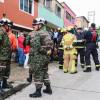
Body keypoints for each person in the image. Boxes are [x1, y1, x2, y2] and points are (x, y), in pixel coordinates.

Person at [26, 18, 53, 98]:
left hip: (38, 58)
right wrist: (46, 52)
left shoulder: (36, 34)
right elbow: (50, 46)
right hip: (45, 58)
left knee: (38, 74)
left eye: (35, 25)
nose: (33, 26)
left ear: (40, 25)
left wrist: (42, 51)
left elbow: (35, 46)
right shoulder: (47, 33)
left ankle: (38, 92)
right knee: (44, 73)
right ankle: (48, 89)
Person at [0, 19, 15, 90]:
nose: (9, 28)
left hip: (6, 57)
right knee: (1, 72)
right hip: (2, 57)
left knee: (6, 71)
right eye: (9, 26)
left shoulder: (4, 32)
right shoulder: (1, 32)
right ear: (5, 25)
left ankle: (4, 84)